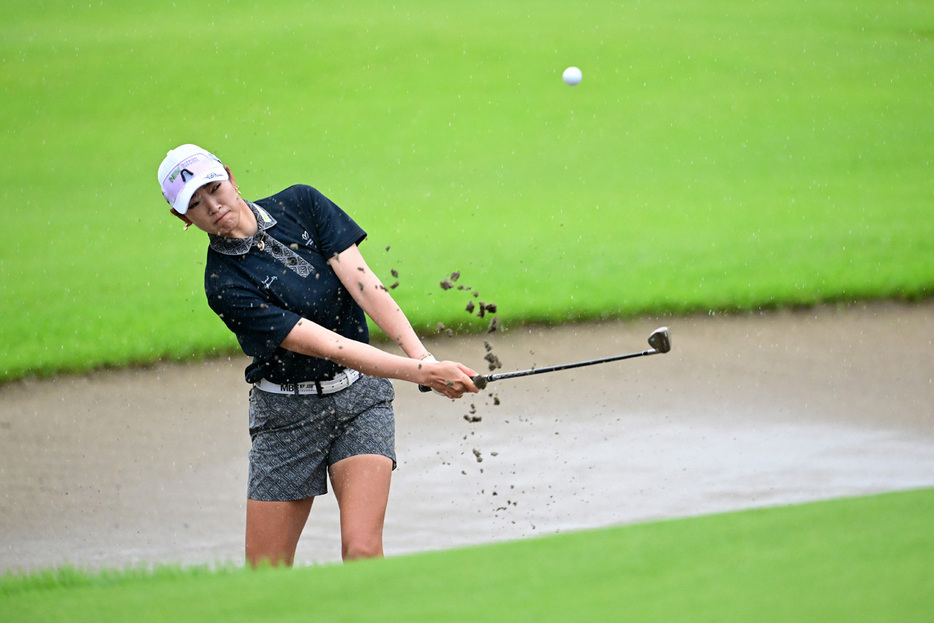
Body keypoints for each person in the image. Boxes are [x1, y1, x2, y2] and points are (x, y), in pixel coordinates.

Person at [157, 144, 479, 567]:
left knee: (363, 551)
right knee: (267, 574)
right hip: (286, 418)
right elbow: (327, 344)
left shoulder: (301, 204)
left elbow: (364, 285)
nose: (213, 207)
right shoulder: (223, 283)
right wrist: (420, 373)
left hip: (360, 402)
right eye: (195, 205)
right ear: (183, 218)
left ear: (232, 178)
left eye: (215, 189)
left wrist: (425, 359)